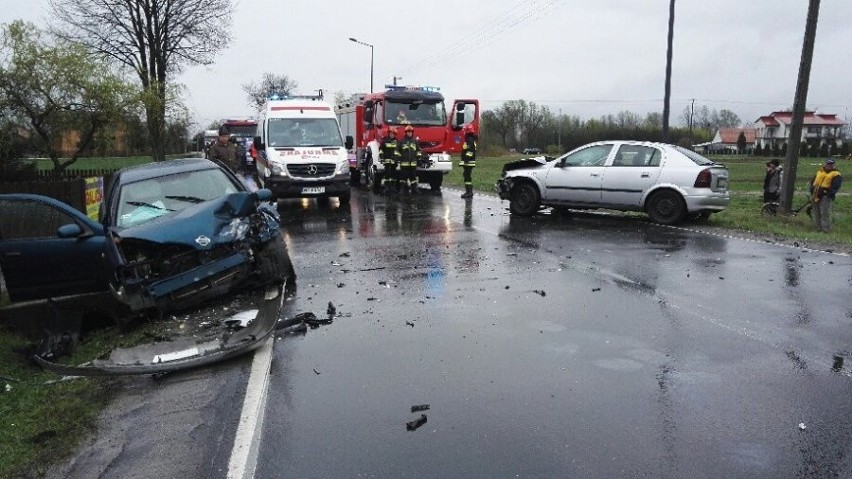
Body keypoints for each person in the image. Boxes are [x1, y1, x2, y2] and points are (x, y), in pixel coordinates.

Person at [809, 158, 842, 233]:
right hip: (815, 195)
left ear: (834, 165)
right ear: (825, 164)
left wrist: (827, 194)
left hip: (826, 197)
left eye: (831, 164)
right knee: (816, 213)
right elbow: (813, 181)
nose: (829, 165)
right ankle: (817, 229)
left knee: (825, 214)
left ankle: (826, 231)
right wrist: (812, 190)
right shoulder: (819, 171)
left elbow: (835, 186)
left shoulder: (836, 174)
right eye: (828, 164)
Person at [397, 125, 421, 194]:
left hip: (413, 164)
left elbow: (418, 151)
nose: (409, 133)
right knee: (403, 178)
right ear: (406, 132)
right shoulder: (402, 141)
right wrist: (399, 158)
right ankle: (402, 190)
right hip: (404, 164)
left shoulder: (414, 141)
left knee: (413, 178)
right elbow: (397, 151)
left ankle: (415, 190)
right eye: (408, 132)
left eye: (410, 132)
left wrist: (418, 158)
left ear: (412, 133)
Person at [379, 127, 400, 195]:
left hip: (394, 161)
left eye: (393, 134)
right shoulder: (385, 141)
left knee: (394, 175)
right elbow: (381, 149)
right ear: (389, 133)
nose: (392, 135)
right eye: (391, 133)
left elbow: (398, 151)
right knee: (387, 174)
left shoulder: (397, 141)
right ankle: (387, 188)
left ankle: (393, 188)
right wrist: (381, 156)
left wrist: (397, 158)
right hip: (387, 160)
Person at [459, 125, 477, 199]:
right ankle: (468, 192)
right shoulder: (470, 139)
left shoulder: (469, 140)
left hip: (469, 162)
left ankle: (469, 192)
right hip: (468, 162)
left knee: (467, 177)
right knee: (466, 176)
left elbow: (470, 151)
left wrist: (466, 159)